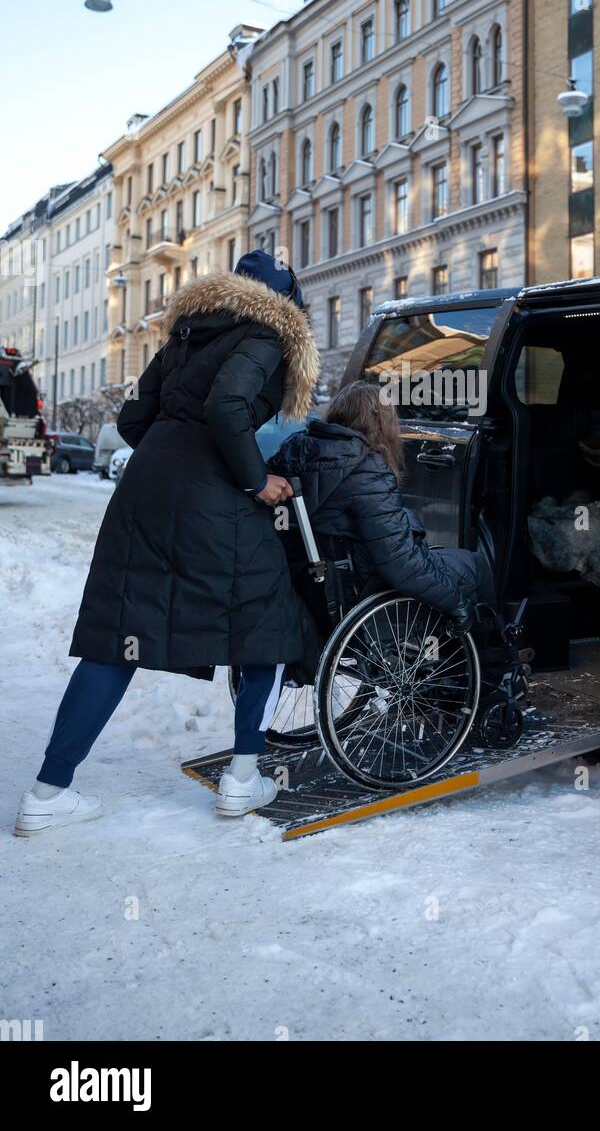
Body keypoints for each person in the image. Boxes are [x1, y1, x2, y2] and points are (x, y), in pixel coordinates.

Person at [14, 251, 319, 837]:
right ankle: (242, 778)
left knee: (116, 637)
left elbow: (132, 419)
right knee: (267, 625)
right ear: (284, 302)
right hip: (216, 501)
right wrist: (256, 478)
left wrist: (173, 450)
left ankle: (48, 791)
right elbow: (228, 406)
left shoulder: (184, 336)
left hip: (144, 494)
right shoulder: (265, 333)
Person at [268, 379, 493, 622]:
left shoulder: (295, 452)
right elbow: (400, 562)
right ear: (381, 421)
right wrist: (458, 604)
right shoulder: (366, 468)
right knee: (475, 566)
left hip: (312, 583)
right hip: (360, 585)